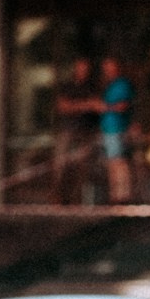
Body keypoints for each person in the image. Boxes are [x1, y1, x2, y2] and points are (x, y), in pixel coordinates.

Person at [53, 56, 102, 202]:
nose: (83, 71)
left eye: (86, 68)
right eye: (81, 67)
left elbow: (98, 106)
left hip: (86, 132)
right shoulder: (68, 86)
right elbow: (63, 107)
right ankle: (58, 196)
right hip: (68, 131)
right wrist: (85, 105)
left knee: (82, 168)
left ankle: (76, 199)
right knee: (61, 165)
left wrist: (78, 106)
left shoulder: (93, 87)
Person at [99, 56, 135, 204]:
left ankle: (122, 195)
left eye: (110, 67)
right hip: (108, 128)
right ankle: (116, 194)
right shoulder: (108, 85)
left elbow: (123, 106)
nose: (107, 70)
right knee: (112, 162)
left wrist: (105, 107)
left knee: (118, 162)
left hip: (117, 128)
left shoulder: (122, 85)